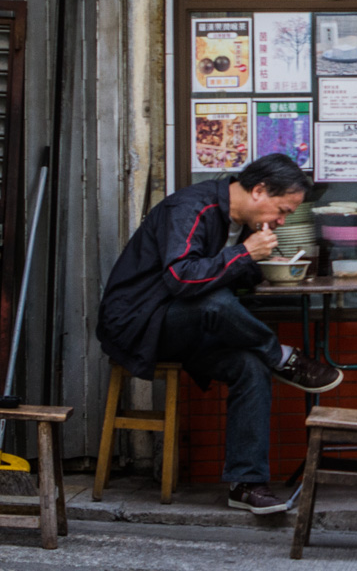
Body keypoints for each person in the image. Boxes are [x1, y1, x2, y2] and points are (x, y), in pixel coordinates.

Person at [96, 153, 343, 516]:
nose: (281, 220)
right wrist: (244, 253)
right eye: (283, 209)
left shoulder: (241, 222)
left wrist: (257, 261)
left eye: (288, 214)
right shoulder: (189, 208)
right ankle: (282, 357)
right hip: (139, 322)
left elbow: (228, 276)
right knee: (215, 303)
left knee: (251, 367)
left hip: (189, 327)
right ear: (258, 190)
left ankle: (247, 484)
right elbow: (181, 277)